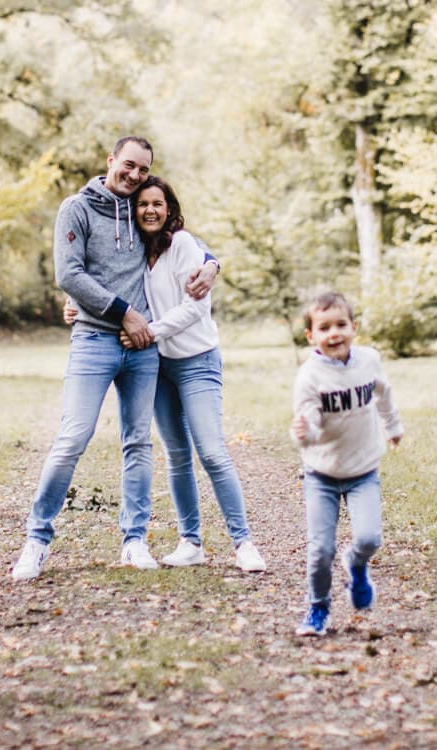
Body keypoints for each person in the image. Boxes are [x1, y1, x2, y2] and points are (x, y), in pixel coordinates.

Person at [11, 136, 219, 581]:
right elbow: (69, 274)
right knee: (72, 438)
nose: (134, 176)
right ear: (110, 161)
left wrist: (212, 263)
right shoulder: (77, 208)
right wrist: (124, 313)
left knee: (138, 443)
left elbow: (183, 238)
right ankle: (36, 540)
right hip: (94, 340)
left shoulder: (141, 208)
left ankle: (134, 540)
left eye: (143, 170)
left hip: (142, 349)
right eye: (128, 166)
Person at [67, 176, 266, 572]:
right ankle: (190, 541)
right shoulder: (135, 248)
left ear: (169, 207)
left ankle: (243, 542)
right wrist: (74, 302)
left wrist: (147, 331)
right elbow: (98, 274)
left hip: (196, 361)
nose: (150, 210)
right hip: (158, 366)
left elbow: (195, 308)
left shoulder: (184, 244)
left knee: (210, 449)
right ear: (133, 211)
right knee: (176, 455)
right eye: (143, 205)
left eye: (157, 203)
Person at [289, 290, 403, 636]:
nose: (334, 333)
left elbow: (384, 393)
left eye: (341, 324)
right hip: (321, 473)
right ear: (312, 336)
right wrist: (304, 432)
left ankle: (355, 565)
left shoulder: (369, 361)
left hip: (363, 470)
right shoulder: (309, 377)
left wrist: (393, 426)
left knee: (369, 539)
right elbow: (307, 426)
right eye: (324, 328)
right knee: (321, 549)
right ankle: (318, 607)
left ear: (354, 327)